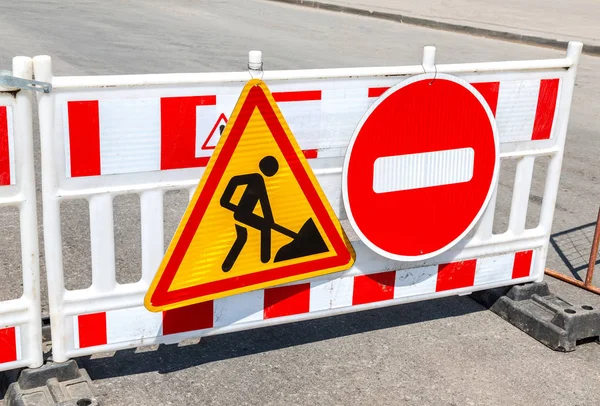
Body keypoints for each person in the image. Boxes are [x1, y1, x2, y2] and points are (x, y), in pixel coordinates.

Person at [220, 156, 279, 272]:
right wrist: (228, 204)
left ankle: (227, 266)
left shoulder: (259, 179)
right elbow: (233, 182)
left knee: (243, 237)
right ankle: (265, 260)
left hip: (243, 214)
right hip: (242, 214)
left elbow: (264, 202)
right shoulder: (256, 178)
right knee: (253, 232)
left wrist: (270, 220)